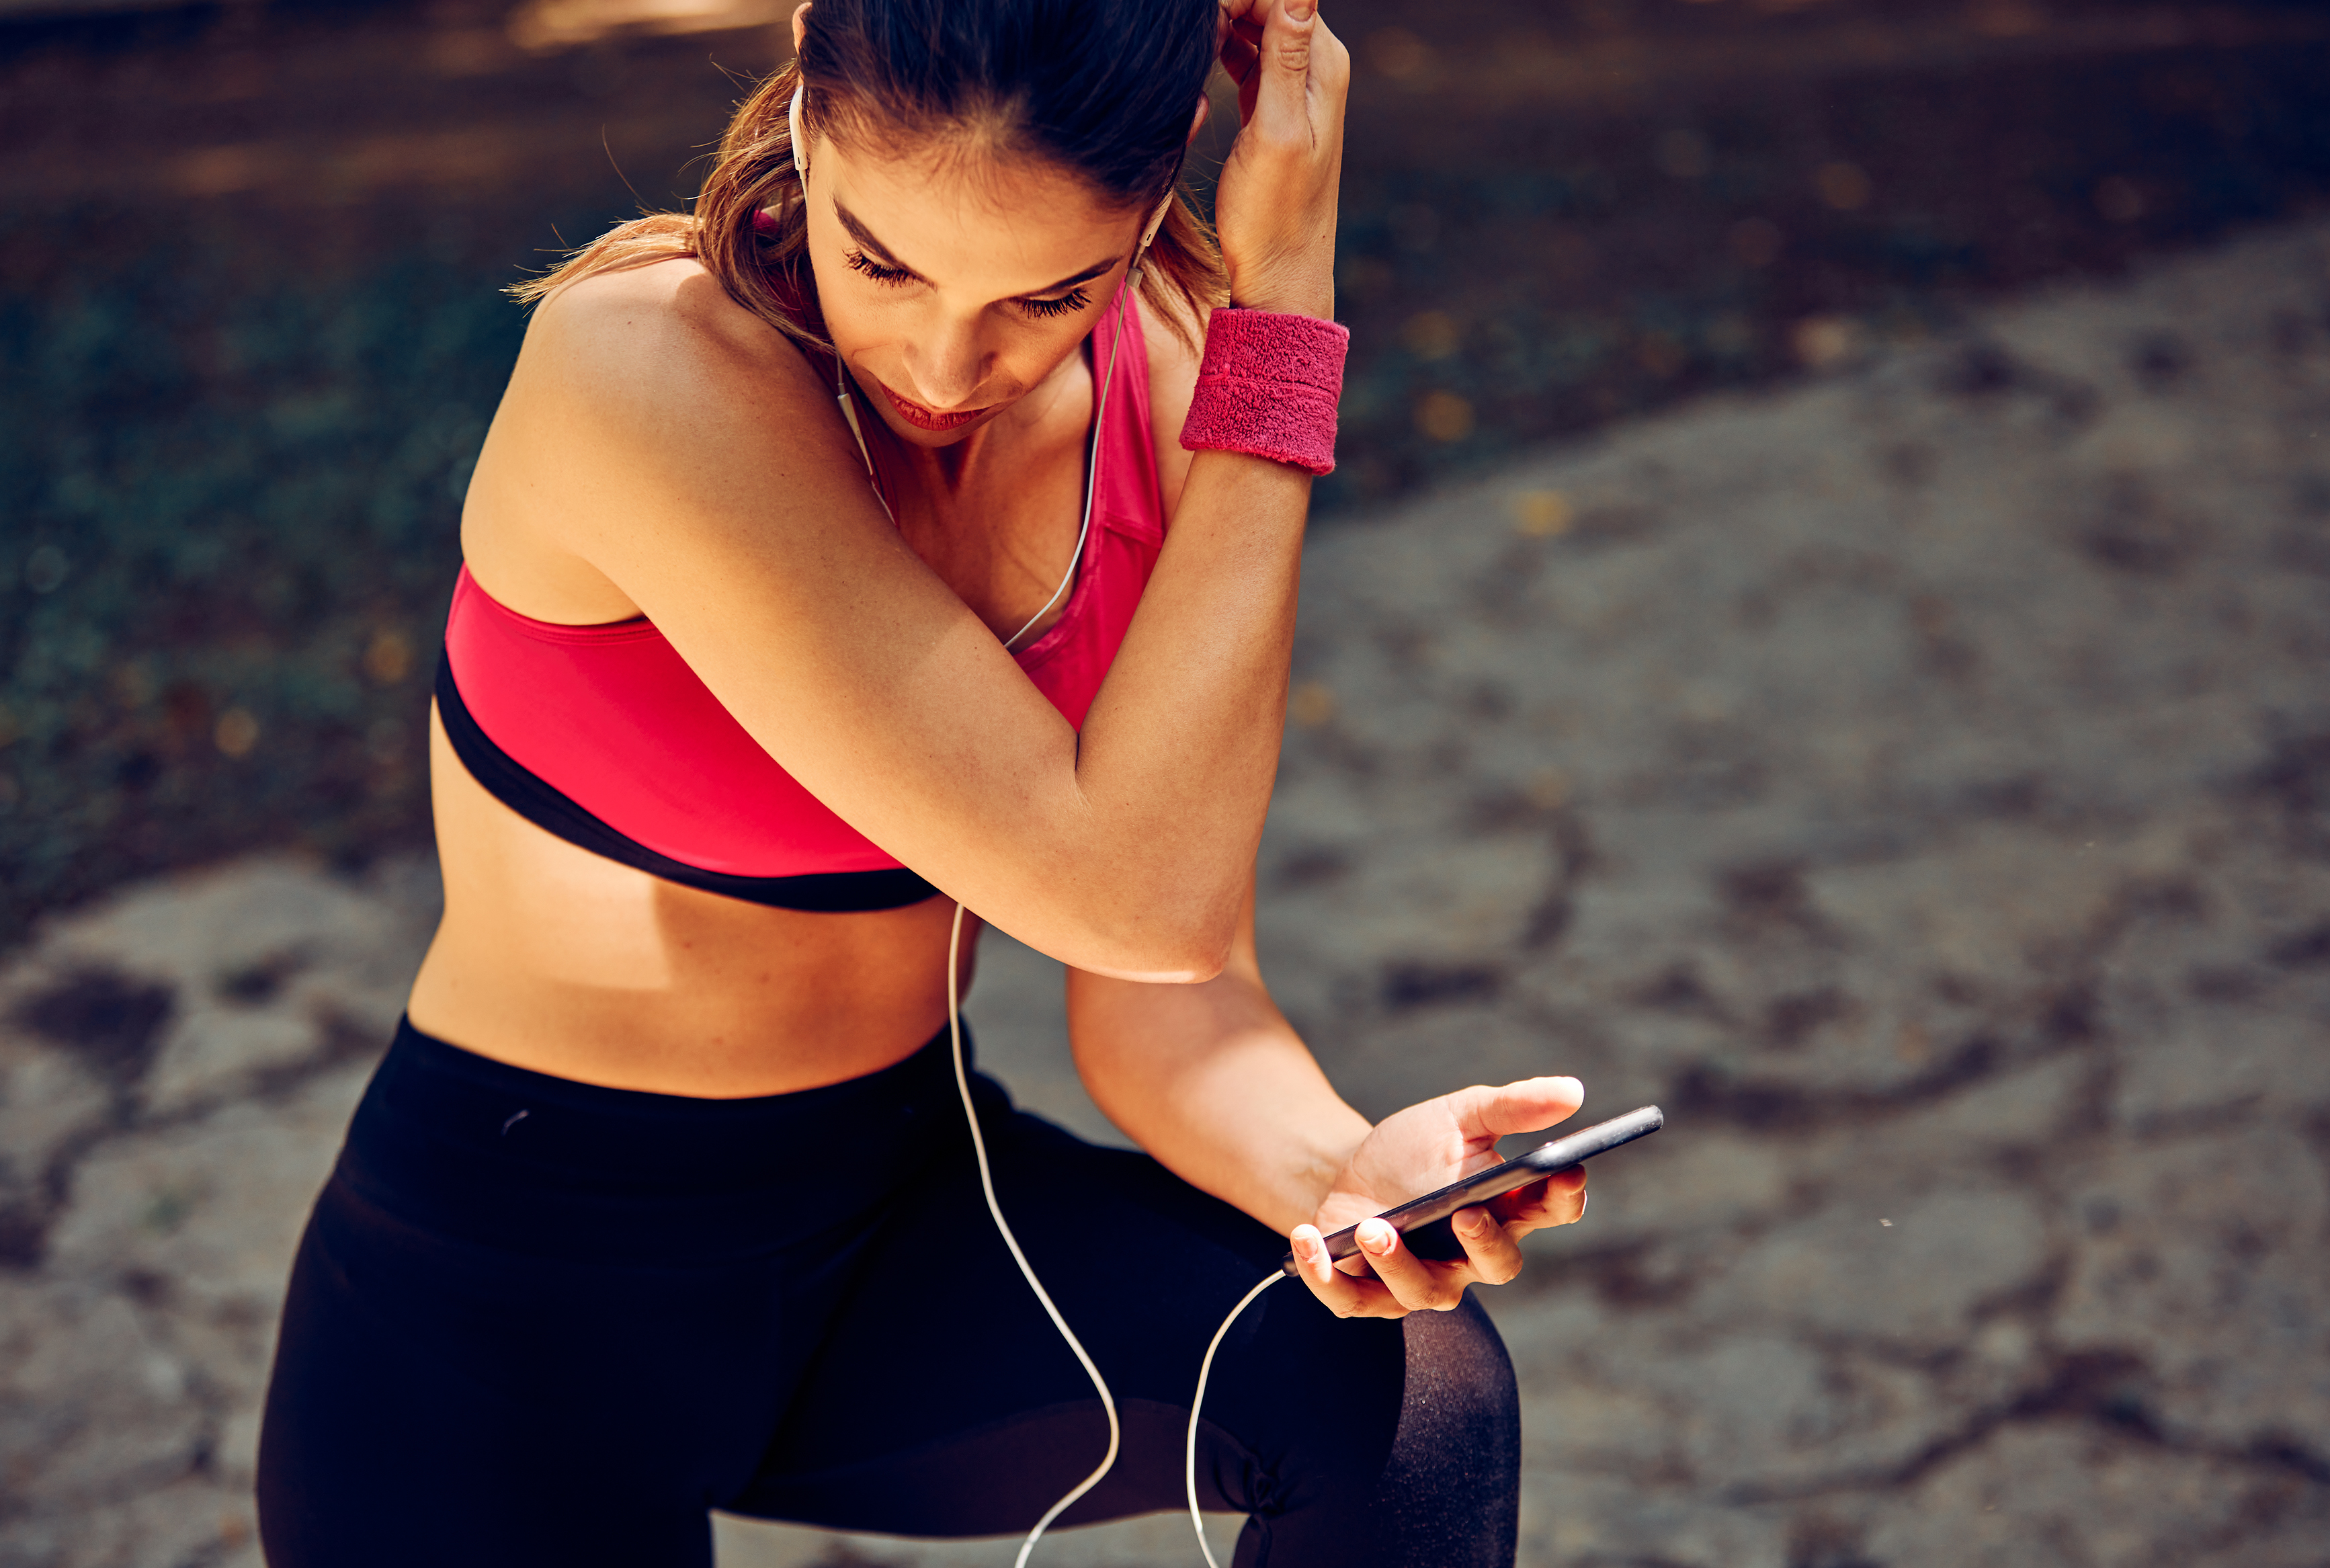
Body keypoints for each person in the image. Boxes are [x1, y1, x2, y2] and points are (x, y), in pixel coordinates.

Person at [257, 1, 1591, 1564]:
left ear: (1161, 196)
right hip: (510, 1309)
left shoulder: (1167, 397)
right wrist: (1281, 311)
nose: (948, 365)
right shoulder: (644, 370)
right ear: (810, 97)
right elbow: (1135, 896)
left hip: (896, 1232)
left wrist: (1336, 1177)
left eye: (1050, 292)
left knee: (1406, 1386)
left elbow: (1174, 981)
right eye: (881, 259)